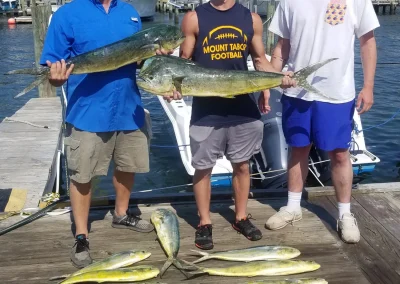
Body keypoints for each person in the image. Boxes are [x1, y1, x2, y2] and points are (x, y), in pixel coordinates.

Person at [40, 0, 173, 268]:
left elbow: (141, 61)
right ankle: (81, 235)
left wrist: (153, 56)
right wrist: (54, 76)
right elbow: (52, 62)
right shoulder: (68, 14)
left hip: (129, 106)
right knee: (82, 174)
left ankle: (121, 214)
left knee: (128, 165)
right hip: (88, 110)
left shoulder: (130, 12)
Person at [165, 0, 295, 250]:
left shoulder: (252, 19)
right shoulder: (194, 18)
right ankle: (204, 222)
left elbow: (259, 61)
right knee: (203, 168)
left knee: (242, 165)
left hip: (242, 107)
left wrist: (280, 79)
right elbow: (184, 61)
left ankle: (241, 217)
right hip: (206, 109)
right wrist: (173, 87)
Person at [265, 0, 379, 244]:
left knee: (339, 154)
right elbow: (283, 44)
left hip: (337, 93)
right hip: (295, 92)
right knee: (298, 148)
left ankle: (345, 213)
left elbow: (367, 41)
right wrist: (270, 79)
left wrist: (368, 86)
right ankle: (293, 206)